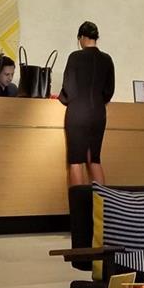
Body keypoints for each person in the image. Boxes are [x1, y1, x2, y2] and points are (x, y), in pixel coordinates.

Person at [58, 21, 115, 186]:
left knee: (76, 161)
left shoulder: (75, 57)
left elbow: (68, 88)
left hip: (78, 113)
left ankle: (79, 203)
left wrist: (63, 99)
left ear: (82, 37)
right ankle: (101, 203)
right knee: (94, 159)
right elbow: (109, 91)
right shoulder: (107, 59)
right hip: (98, 113)